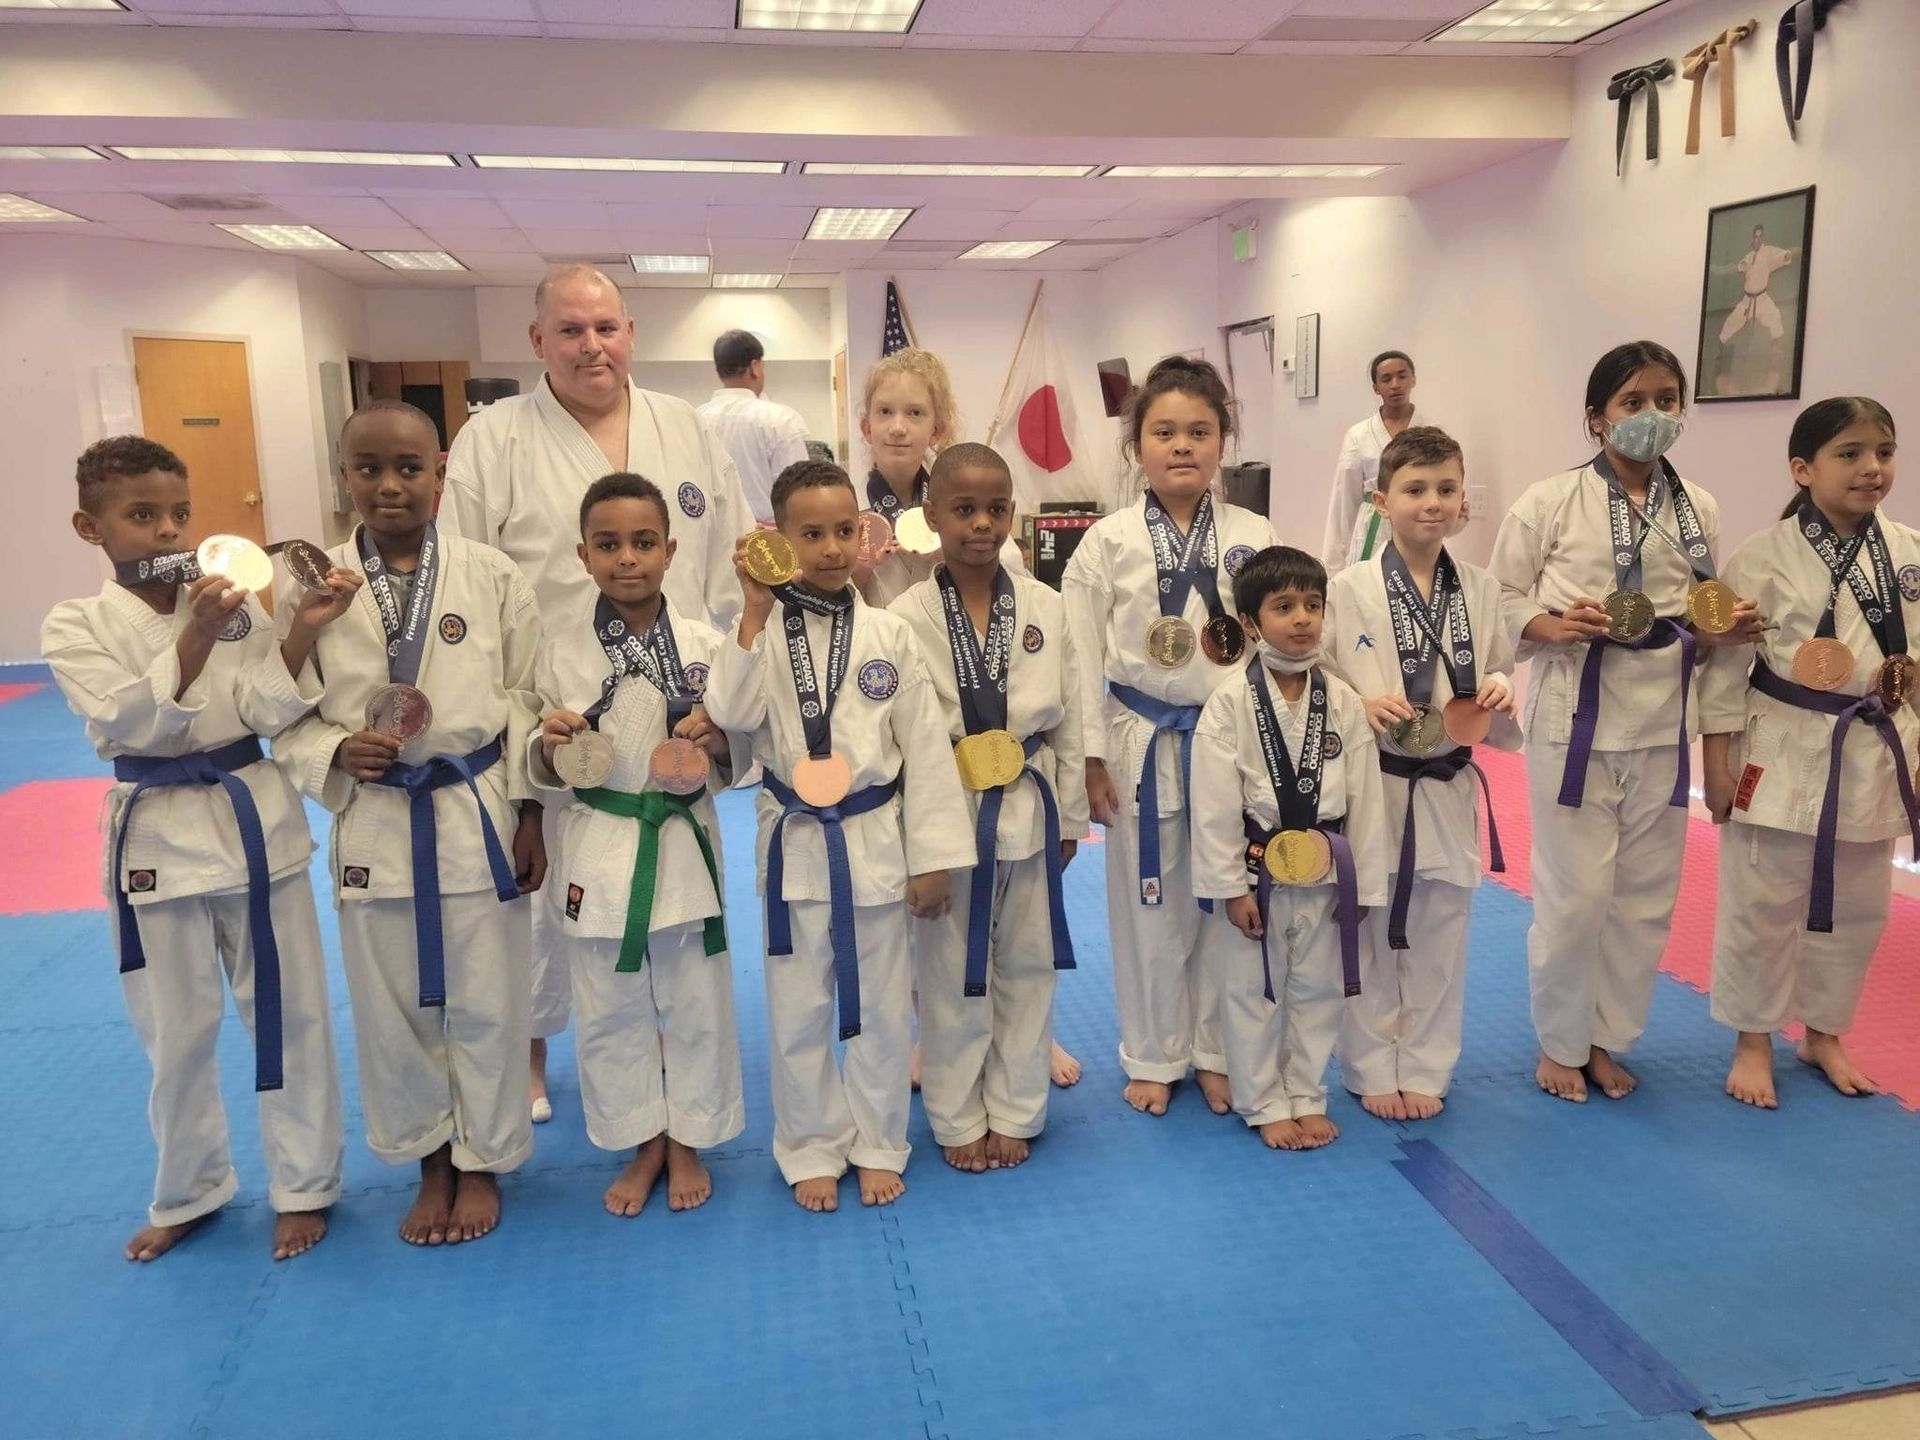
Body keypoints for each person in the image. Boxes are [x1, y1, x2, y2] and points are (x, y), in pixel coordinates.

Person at [440, 263, 750, 1125]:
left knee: (672, 886)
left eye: (606, 328)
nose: (591, 347)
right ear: (538, 340)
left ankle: (663, 1051)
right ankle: (533, 1054)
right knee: (540, 899)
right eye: (571, 331)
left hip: (677, 708)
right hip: (554, 703)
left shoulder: (685, 427)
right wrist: (512, 746)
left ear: (631, 334)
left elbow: (730, 570)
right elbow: (464, 584)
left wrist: (724, 694)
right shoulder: (493, 439)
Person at [42, 437, 347, 1263]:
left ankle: (305, 1185)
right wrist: (197, 637)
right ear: (90, 527)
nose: (168, 531)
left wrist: (300, 628)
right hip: (155, 836)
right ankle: (190, 1189)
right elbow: (126, 720)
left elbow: (267, 709)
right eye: (142, 515)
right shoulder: (75, 624)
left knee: (292, 1013)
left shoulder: (231, 602)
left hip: (254, 821)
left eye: (178, 513)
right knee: (175, 1033)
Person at [275, 401, 547, 1246]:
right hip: (377, 821)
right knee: (389, 1008)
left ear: (440, 473)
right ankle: (431, 1160)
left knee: (490, 1001)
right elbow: (278, 710)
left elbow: (529, 697)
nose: (389, 486)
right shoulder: (311, 585)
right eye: (368, 469)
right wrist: (332, 747)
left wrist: (532, 812)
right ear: (342, 476)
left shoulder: (491, 573)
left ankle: (484, 1158)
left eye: (408, 467)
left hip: (473, 811)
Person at [704, 459, 975, 1212]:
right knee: (799, 1009)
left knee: (883, 1009)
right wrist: (752, 611)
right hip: (795, 842)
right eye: (811, 533)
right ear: (780, 539)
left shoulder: (890, 633)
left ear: (864, 533)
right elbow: (730, 712)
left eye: (844, 530)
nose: (830, 548)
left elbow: (924, 750)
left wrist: (933, 860)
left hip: (874, 839)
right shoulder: (759, 630)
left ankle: (880, 1142)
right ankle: (810, 1145)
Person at [1490, 341, 1756, 1105]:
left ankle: (1608, 1039)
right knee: (1575, 898)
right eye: (1633, 402)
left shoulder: (1697, 506)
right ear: (1596, 418)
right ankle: (1561, 1043)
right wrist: (1549, 624)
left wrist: (1720, 630)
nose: (1652, 415)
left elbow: (1700, 609)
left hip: (1661, 723)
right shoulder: (1548, 501)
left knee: (1642, 899)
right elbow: (1498, 598)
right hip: (1574, 718)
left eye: (1667, 400)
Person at [1062, 355, 1277, 1118]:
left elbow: (1279, 641)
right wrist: (1088, 758)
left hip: (1230, 740)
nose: (1182, 445)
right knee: (1147, 904)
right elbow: (1079, 656)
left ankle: (1218, 1052)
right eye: (1164, 432)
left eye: (1199, 431)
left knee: (1228, 895)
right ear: (1136, 447)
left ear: (1223, 442)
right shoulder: (1106, 541)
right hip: (1140, 735)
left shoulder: (1254, 534)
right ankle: (1155, 1053)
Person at [532, 472, 748, 1214]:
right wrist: (548, 744)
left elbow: (743, 747)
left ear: (670, 550)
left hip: (682, 839)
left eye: (644, 542)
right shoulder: (559, 649)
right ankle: (642, 1142)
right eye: (608, 544)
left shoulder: (705, 646)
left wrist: (721, 742)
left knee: (697, 1002)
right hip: (598, 842)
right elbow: (531, 750)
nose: (627, 558)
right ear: (583, 555)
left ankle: (689, 1139)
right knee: (610, 1008)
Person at [1701, 397, 1918, 1107]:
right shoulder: (1762, 555)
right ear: (1803, 468)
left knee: (1859, 909)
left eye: (1883, 451)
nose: (1871, 468)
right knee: (1761, 904)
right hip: (1783, 749)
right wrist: (1716, 766)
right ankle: (1753, 1038)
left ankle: (1824, 1032)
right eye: (1849, 453)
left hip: (1876, 749)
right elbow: (1725, 667)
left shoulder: (1910, 552)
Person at [889, 443, 1088, 1172]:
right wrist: (921, 846)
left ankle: (1017, 1108)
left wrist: (1072, 816)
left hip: (1030, 805)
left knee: (1029, 965)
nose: (981, 524)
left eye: (996, 509)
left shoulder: (1046, 606)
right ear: (932, 514)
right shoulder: (903, 616)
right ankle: (954, 1116)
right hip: (948, 806)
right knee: (948, 972)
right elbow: (900, 740)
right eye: (964, 509)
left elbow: (1071, 717)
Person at [1323, 428, 1518, 1121]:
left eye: (1446, 489)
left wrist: (1499, 686)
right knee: (1368, 923)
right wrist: (1356, 702)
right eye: (1414, 489)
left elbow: (1497, 665)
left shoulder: (1482, 588)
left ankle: (1429, 1066)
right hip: (1375, 783)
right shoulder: (1347, 589)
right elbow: (1321, 675)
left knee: (1442, 929)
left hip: (1447, 781)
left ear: (1464, 500)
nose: (1432, 502)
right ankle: (1371, 1065)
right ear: (1381, 501)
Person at [1190, 545, 1389, 1149]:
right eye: (1283, 607)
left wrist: (1363, 884)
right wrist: (1230, 888)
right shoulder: (1229, 701)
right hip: (1258, 871)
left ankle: (1305, 1093)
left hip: (1328, 867)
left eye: (1313, 605)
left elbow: (1366, 797)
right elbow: (1214, 806)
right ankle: (1260, 1099)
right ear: (1250, 622)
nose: (1302, 618)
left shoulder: (1343, 700)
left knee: (1318, 990)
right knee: (1254, 988)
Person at [1320, 351, 1440, 574]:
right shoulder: (1359, 435)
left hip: (1418, 523)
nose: (1395, 384)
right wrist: (1332, 567)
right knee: (1369, 586)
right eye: (1386, 379)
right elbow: (1343, 501)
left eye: (1402, 376)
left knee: (1419, 583)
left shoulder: (1431, 431)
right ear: (1376, 387)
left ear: (1413, 380)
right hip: (1373, 528)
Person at [697, 328, 813, 526]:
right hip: (770, 538)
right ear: (755, 367)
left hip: (712, 535)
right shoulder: (780, 420)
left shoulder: (696, 418)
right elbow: (800, 492)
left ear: (719, 371)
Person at [1708, 224, 1802, 396]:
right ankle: (1720, 354)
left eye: (1760, 236)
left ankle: (1777, 351)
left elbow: (1786, 255)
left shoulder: (1769, 253)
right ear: (1752, 238)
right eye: (1755, 237)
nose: (1757, 240)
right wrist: (1717, 270)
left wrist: (1797, 251)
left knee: (1775, 319)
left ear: (1763, 238)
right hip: (1747, 301)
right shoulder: (1749, 256)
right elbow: (1735, 267)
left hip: (1762, 299)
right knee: (1729, 325)